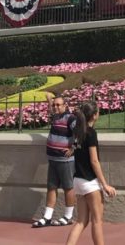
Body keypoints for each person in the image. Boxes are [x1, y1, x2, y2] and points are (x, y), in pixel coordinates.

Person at [64, 101, 116, 245]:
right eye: (98, 111)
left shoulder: (79, 131)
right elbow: (94, 161)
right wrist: (104, 185)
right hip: (89, 181)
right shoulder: (91, 133)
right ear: (94, 115)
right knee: (97, 221)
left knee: (81, 221)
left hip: (78, 181)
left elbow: (75, 147)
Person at [32, 93, 77, 228]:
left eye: (58, 105)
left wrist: (73, 148)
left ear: (65, 105)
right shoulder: (55, 116)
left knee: (68, 187)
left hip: (65, 160)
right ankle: (47, 217)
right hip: (52, 158)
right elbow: (51, 107)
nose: (55, 107)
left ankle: (68, 216)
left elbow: (81, 132)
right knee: (51, 187)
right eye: (54, 105)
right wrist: (48, 99)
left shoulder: (71, 119)